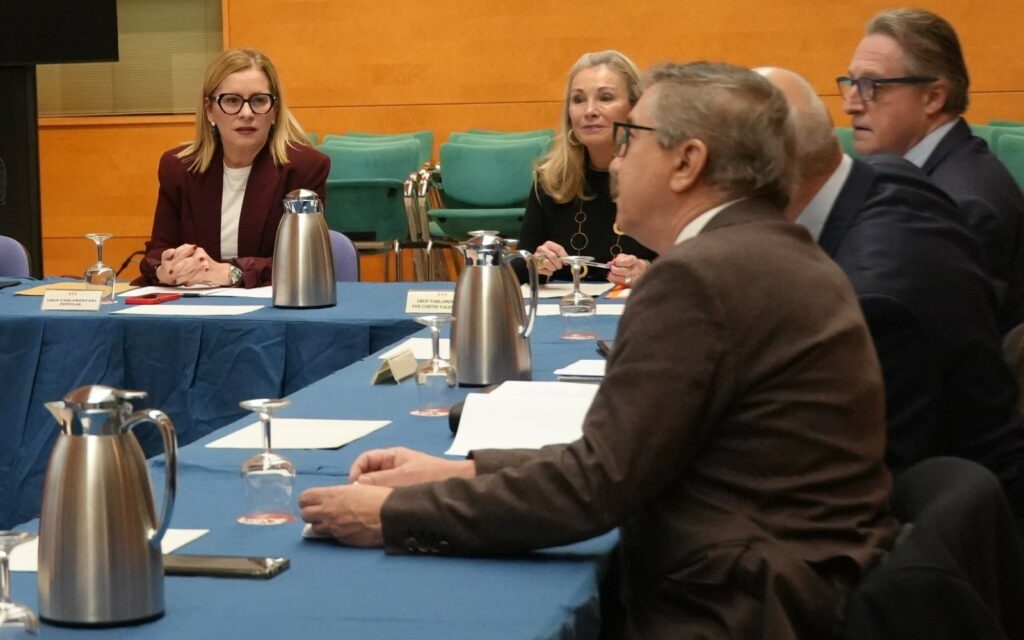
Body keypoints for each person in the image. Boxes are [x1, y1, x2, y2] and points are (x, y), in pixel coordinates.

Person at [300, 62, 898, 639]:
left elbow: (594, 487)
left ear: (687, 162)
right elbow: (630, 451)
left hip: (739, 603)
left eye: (632, 138)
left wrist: (391, 517)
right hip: (798, 581)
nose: (616, 159)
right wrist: (459, 470)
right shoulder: (769, 249)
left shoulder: (700, 278)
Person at [761, 65, 1024, 516]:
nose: (851, 103)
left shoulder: (873, 302)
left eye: (873, 85)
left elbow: (843, 485)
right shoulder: (888, 174)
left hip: (946, 525)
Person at [839, 8, 1024, 331]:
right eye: (852, 83)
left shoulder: (963, 206)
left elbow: (953, 340)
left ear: (933, 97)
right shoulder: (902, 174)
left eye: (872, 85)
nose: (850, 104)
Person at [138, 48, 329, 288]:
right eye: (231, 100)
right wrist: (165, 269)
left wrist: (230, 273)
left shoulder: (305, 167)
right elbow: (158, 251)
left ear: (275, 109)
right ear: (209, 109)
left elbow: (305, 261)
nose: (246, 113)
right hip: (194, 302)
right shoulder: (178, 167)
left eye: (259, 100)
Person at [517, 50, 656, 285]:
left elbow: (693, 267)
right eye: (579, 100)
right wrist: (538, 264)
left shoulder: (664, 180)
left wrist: (648, 272)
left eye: (605, 98)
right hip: (562, 307)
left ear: (635, 108)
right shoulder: (552, 179)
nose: (589, 111)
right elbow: (520, 267)